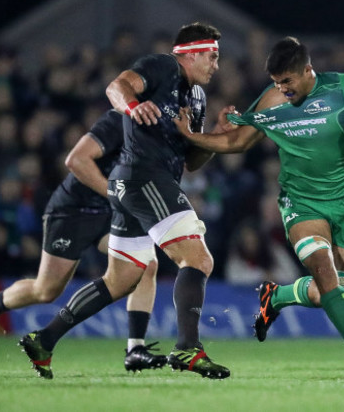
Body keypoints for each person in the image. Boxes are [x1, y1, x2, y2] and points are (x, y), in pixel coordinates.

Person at [175, 36, 344, 383]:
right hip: (300, 205)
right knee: (326, 275)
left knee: (331, 290)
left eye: (287, 81)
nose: (281, 88)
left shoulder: (343, 87)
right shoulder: (271, 101)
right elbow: (238, 141)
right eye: (275, 82)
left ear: (307, 70)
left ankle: (278, 296)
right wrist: (194, 137)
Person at [17, 22, 230, 380]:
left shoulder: (198, 98)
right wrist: (131, 106)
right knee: (197, 257)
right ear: (191, 53)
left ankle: (44, 339)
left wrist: (212, 140)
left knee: (122, 279)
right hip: (145, 177)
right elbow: (117, 86)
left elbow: (191, 162)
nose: (216, 65)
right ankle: (188, 348)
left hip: (140, 183)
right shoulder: (163, 66)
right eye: (212, 56)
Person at [0, 109, 167, 373]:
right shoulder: (119, 120)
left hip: (109, 214)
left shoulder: (162, 132)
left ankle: (135, 349)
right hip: (73, 210)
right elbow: (76, 161)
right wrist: (117, 195)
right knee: (46, 290)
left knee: (146, 264)